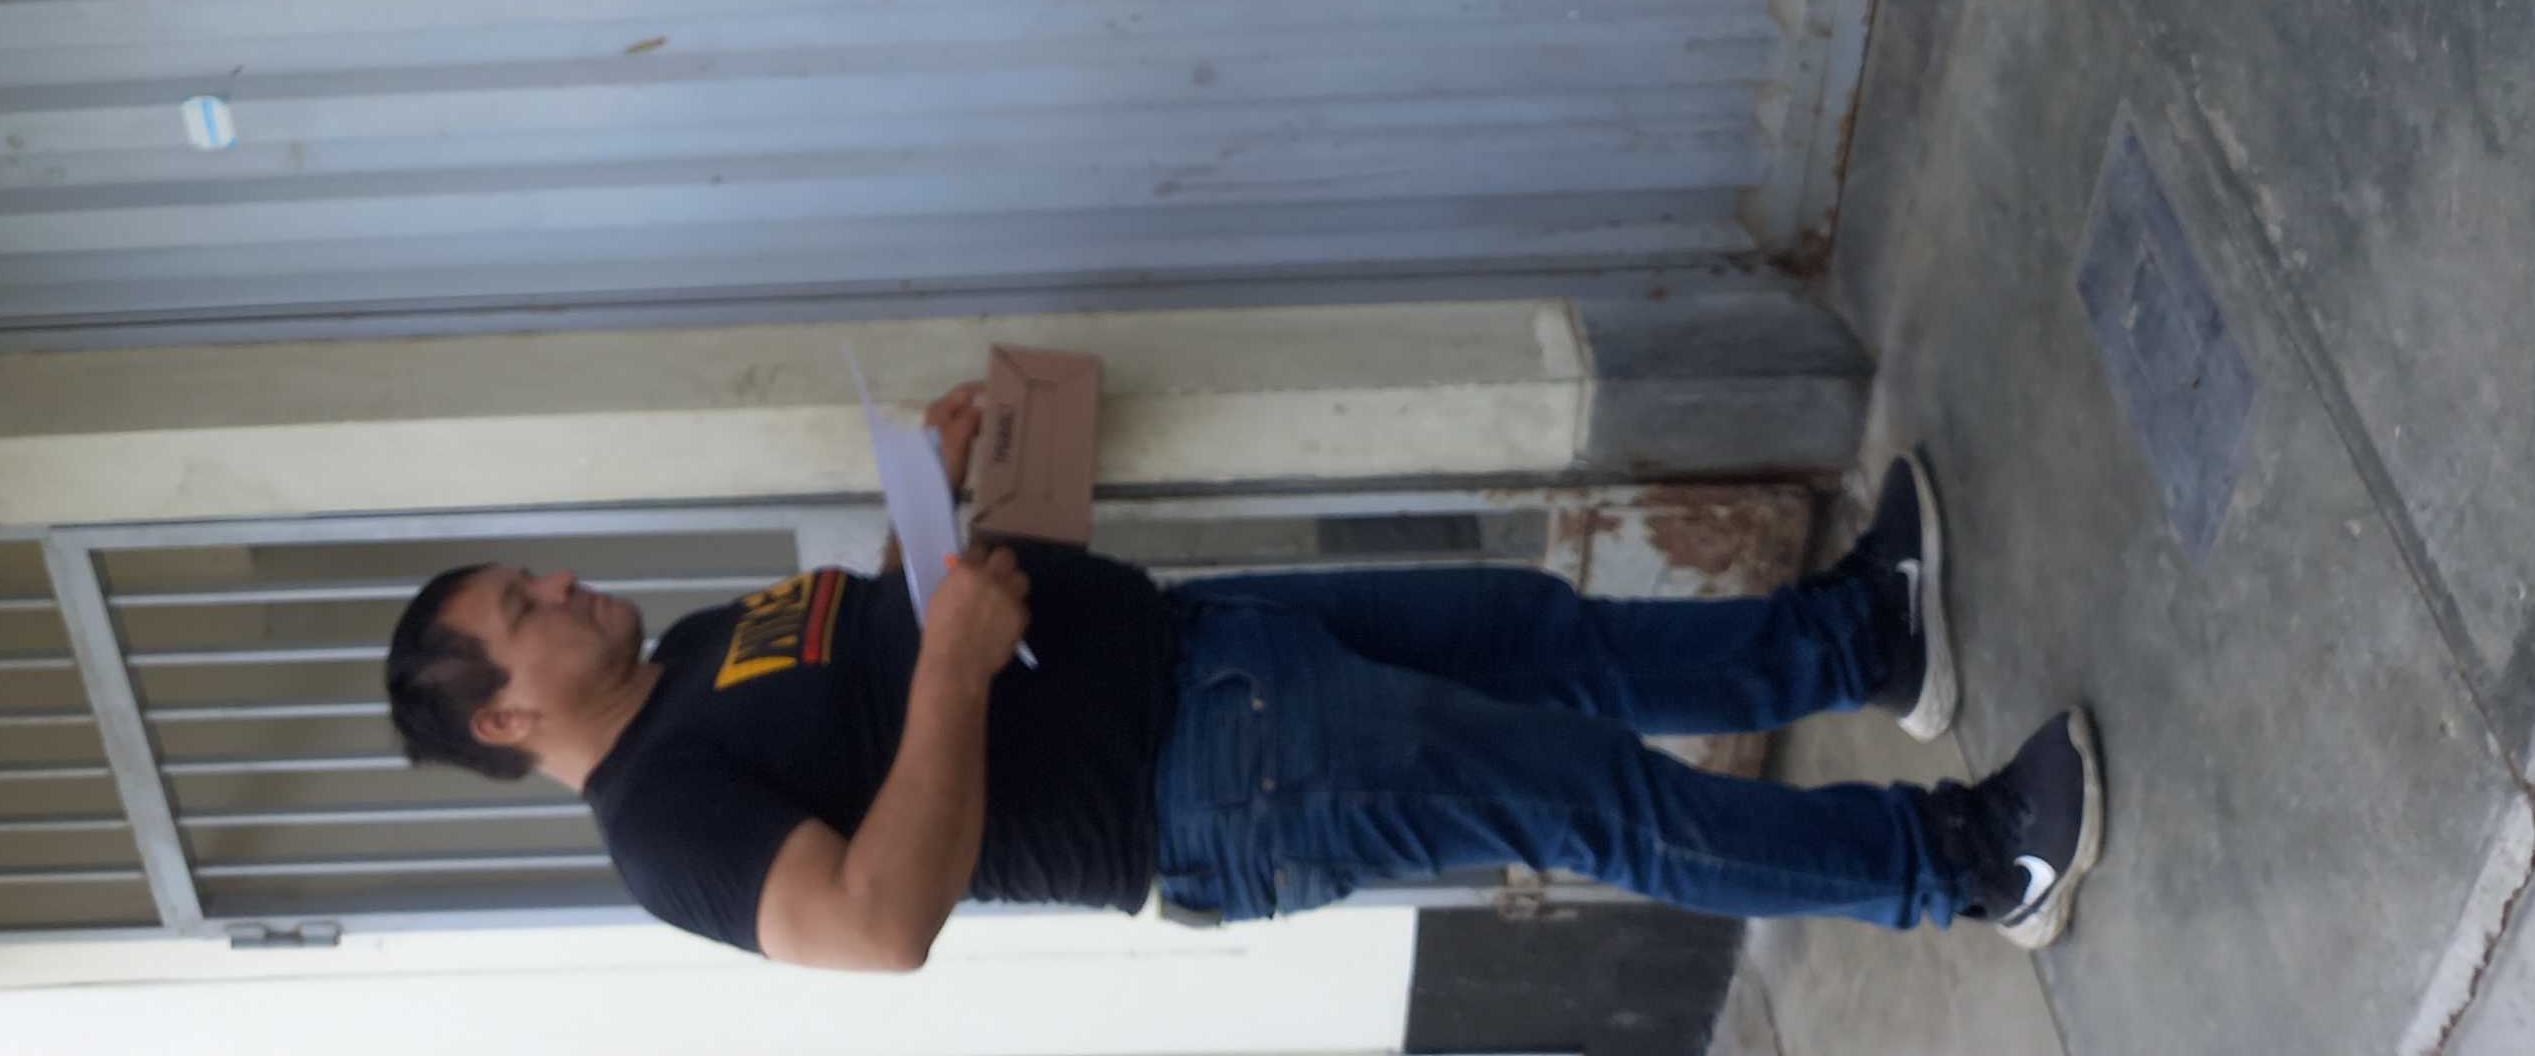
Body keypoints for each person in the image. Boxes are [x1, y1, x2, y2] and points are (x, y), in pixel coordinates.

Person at [381, 400, 2101, 968]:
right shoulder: (661, 830)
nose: (563, 584)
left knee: (1545, 633)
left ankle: (1852, 643)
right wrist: (957, 669)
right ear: (505, 718)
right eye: (527, 607)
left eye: (536, 572)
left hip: (1208, 645)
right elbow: (878, 924)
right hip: (1214, 785)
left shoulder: (690, 655)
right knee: (1594, 800)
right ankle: (1967, 865)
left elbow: (892, 663)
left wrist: (930, 507)